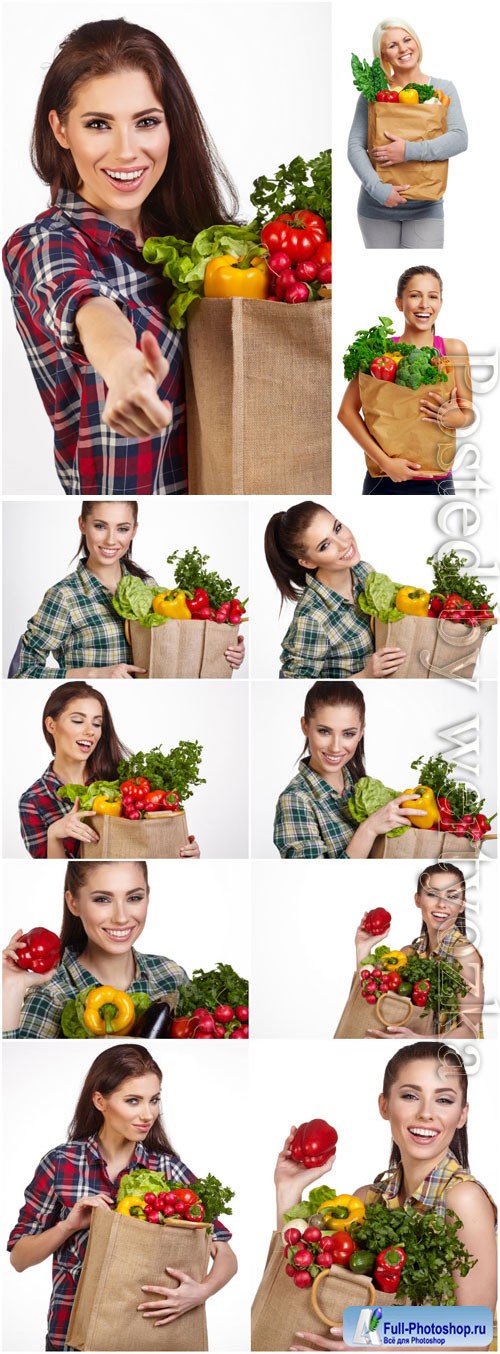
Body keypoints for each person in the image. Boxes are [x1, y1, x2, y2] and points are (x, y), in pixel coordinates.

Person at [2, 18, 238, 495]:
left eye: (146, 122)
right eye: (98, 125)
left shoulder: (197, 243)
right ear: (61, 129)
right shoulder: (44, 243)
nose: (127, 152)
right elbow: (86, 306)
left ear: (172, 125)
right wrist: (126, 369)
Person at [8, 1044, 237, 1351]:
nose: (148, 1114)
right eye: (133, 1101)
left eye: (154, 1100)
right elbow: (19, 1259)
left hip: (147, 1337)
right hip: (71, 1338)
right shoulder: (60, 1164)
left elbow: (224, 1252)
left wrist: (201, 1292)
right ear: (100, 1100)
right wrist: (68, 1226)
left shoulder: (167, 1169)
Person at [274, 1045, 496, 1351]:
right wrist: (288, 1191)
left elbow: (476, 1333)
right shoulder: (367, 1199)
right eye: (410, 1095)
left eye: (444, 1100)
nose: (426, 1113)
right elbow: (303, 1275)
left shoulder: (463, 1199)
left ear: (462, 1115)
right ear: (384, 1105)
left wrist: (376, 1344)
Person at [12, 499, 244, 678]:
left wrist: (221, 651)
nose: (112, 540)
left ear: (134, 530)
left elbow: (173, 648)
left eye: (122, 528)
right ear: (82, 524)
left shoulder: (148, 587)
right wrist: (96, 674)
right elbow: (22, 672)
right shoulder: (64, 597)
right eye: (100, 526)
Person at [3, 859, 190, 1038]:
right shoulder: (51, 994)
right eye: (102, 899)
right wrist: (12, 987)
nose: (121, 917)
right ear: (73, 903)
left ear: (147, 898)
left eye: (134, 898)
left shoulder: (171, 976)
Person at [18, 681, 201, 859]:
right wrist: (54, 835)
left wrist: (184, 853)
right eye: (78, 720)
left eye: (97, 724)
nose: (90, 731)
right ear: (51, 725)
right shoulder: (33, 802)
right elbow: (57, 875)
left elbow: (151, 837)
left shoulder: (124, 779)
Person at [338, 265, 474, 496]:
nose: (424, 304)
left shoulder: (453, 349)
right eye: (414, 296)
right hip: (384, 477)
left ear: (440, 303)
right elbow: (346, 412)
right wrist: (385, 463)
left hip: (437, 478)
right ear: (399, 303)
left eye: (433, 296)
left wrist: (456, 418)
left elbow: (469, 414)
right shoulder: (379, 350)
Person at [348, 19, 468, 249]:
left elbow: (460, 137)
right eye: (392, 46)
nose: (403, 49)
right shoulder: (372, 94)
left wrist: (407, 151)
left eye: (406, 40)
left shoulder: (443, 89)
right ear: (383, 56)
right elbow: (355, 146)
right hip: (376, 207)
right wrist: (378, 189)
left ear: (416, 43)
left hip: (426, 206)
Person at [273, 680, 425, 858]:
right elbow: (315, 882)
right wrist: (368, 830)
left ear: (361, 732)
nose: (336, 747)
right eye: (324, 731)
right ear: (305, 726)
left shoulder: (361, 786)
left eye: (348, 734)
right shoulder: (295, 800)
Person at [264, 501, 406, 677]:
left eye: (337, 528)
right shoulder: (312, 618)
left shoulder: (363, 571)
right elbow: (295, 685)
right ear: (308, 562)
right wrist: (366, 674)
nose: (343, 544)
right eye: (325, 545)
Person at [352, 862, 484, 1039]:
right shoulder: (408, 953)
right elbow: (371, 991)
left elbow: (470, 1032)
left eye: (451, 897)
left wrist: (418, 1040)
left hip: (441, 1059)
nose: (441, 904)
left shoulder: (465, 956)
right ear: (417, 899)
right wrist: (363, 947)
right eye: (432, 894)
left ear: (462, 905)